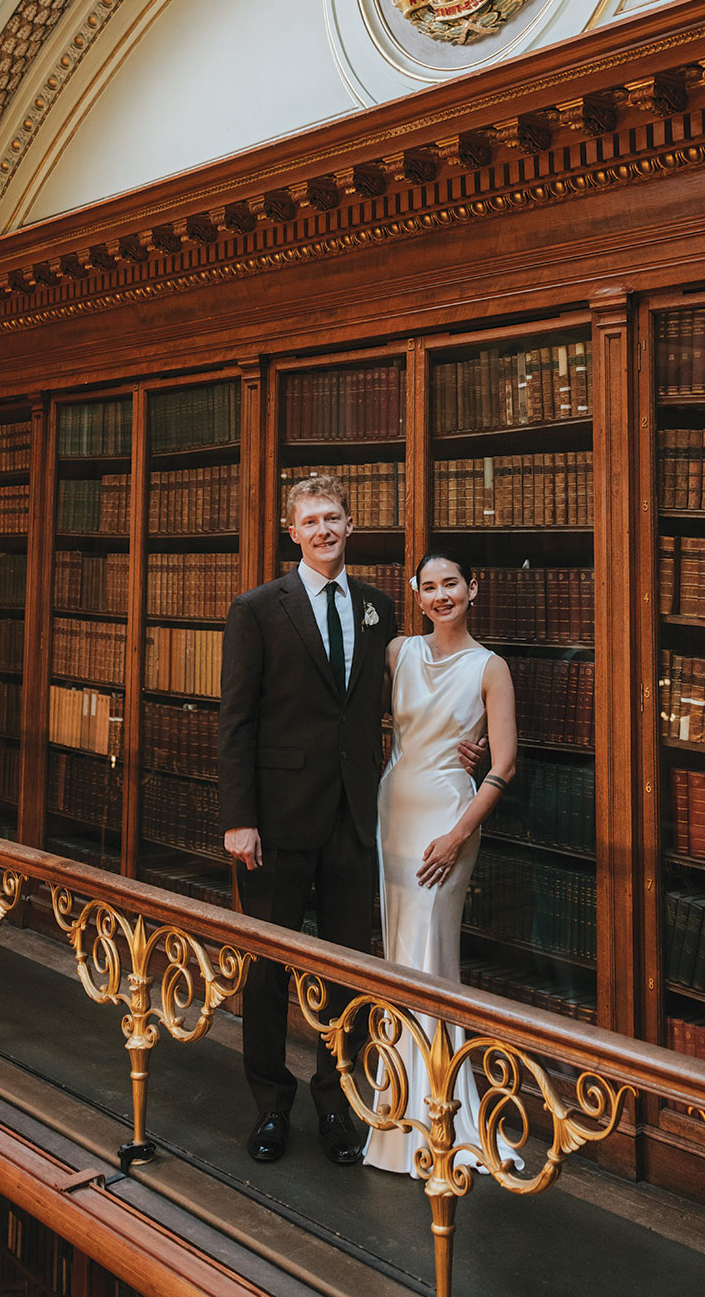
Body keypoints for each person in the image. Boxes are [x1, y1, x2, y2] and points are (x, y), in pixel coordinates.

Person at [218, 474, 397, 1167]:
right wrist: (239, 818)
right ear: (291, 533)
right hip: (276, 823)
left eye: (334, 517)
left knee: (348, 972)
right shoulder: (257, 609)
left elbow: (396, 704)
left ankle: (335, 1101)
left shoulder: (380, 608)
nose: (323, 529)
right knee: (267, 972)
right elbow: (236, 720)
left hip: (354, 820)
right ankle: (270, 1104)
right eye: (310, 520)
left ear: (351, 525)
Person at [365, 551, 517, 1176]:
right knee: (400, 952)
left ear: (472, 588)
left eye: (451, 583)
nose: (440, 595)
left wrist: (457, 834)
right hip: (395, 807)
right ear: (416, 594)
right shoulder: (398, 652)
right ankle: (395, 1113)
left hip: (449, 815)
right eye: (429, 587)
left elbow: (504, 766)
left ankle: (439, 1118)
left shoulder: (491, 667)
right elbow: (368, 721)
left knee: (431, 952)